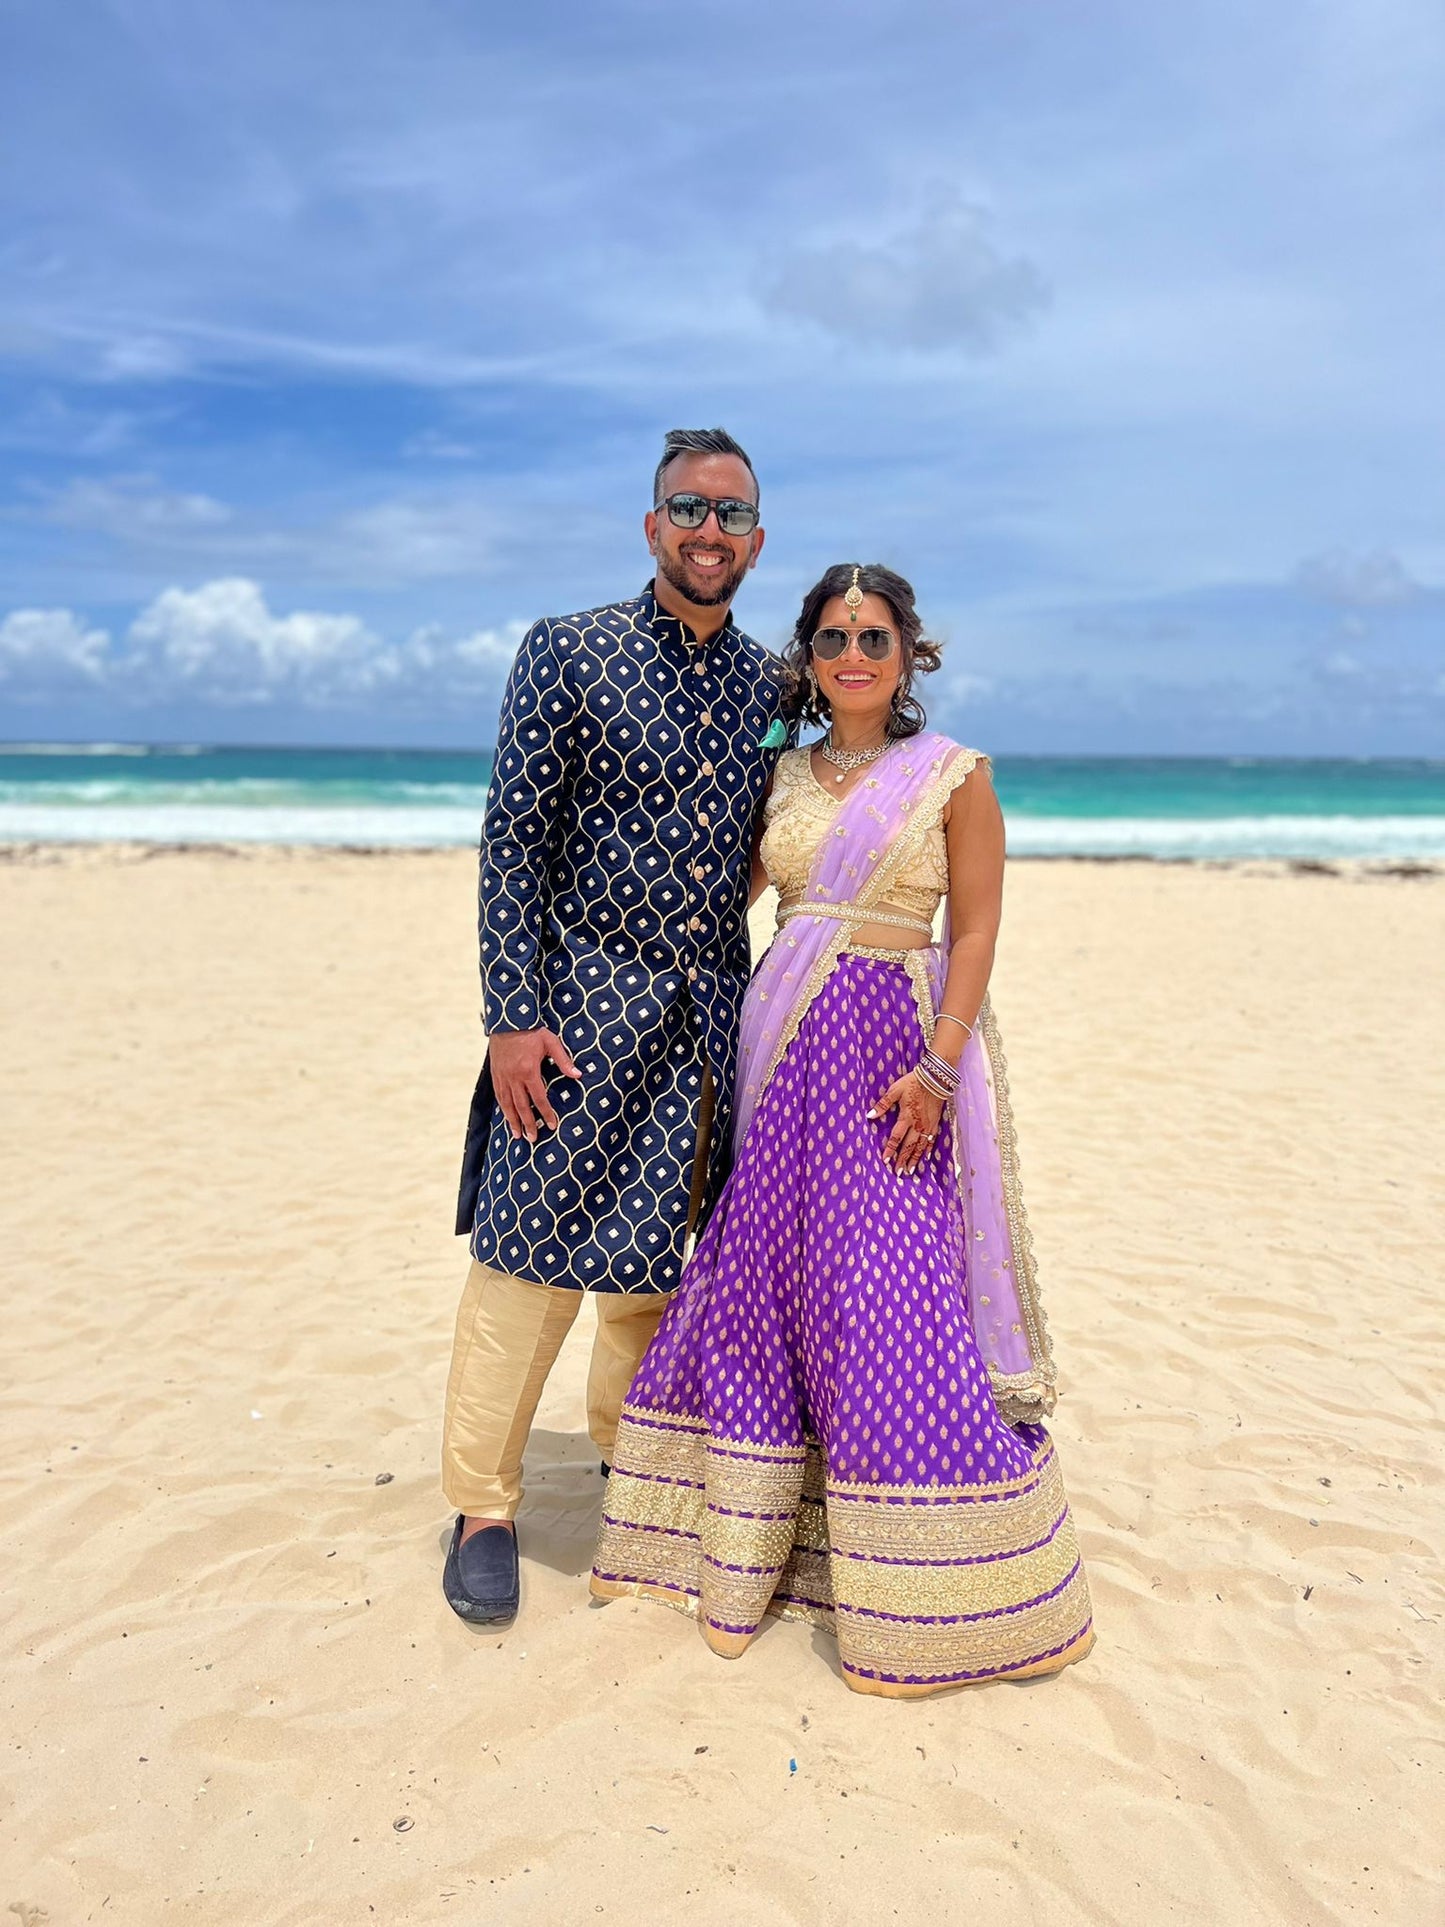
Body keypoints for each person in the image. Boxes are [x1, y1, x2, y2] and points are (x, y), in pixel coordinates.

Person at [591, 562, 1095, 1697]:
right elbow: (712, 892)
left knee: (885, 1292)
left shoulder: (952, 775)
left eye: (870, 635)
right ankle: (738, 1560)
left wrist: (937, 1061)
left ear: (908, 650)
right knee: (765, 1280)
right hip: (782, 1048)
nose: (850, 655)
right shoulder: (780, 771)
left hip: (892, 1054)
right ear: (808, 657)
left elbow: (972, 932)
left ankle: (935, 1590)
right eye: (829, 638)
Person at [440, 427, 790, 1625]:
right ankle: (482, 1503)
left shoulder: (767, 687)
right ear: (651, 527)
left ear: (756, 539)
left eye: (731, 514)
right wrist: (510, 1019)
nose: (709, 531)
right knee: (525, 1260)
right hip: (574, 1003)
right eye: (688, 509)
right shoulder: (567, 650)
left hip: (703, 1014)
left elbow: (777, 829)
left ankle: (629, 1473)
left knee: (652, 1274)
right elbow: (512, 843)